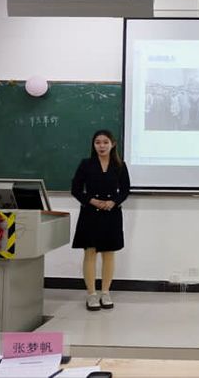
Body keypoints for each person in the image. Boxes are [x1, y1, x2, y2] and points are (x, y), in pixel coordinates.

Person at [71, 130, 131, 311]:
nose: (101, 146)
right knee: (90, 252)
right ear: (93, 145)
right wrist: (91, 200)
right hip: (90, 213)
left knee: (108, 253)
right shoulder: (86, 164)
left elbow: (125, 189)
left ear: (112, 144)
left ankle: (105, 292)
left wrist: (114, 202)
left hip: (111, 213)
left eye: (105, 142)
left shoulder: (119, 165)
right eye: (98, 142)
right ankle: (91, 294)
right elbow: (75, 189)